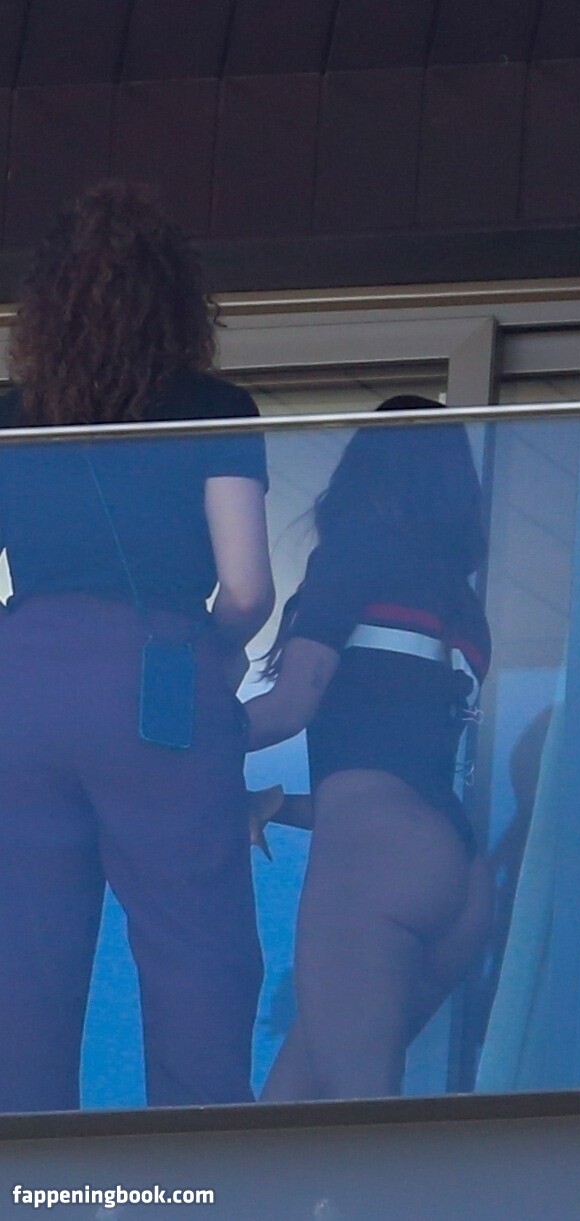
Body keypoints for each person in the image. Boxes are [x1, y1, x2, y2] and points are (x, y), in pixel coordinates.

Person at [0, 181, 274, 1112]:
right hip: (157, 675)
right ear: (175, 300)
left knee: (23, 961)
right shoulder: (213, 406)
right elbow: (248, 587)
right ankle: (196, 1176)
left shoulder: (9, 414)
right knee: (197, 949)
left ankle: (26, 1175)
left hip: (21, 683)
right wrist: (213, 651)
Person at [245, 398, 493, 1101]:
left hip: (374, 864)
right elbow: (391, 774)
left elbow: (291, 706)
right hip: (457, 871)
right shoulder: (463, 607)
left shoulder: (355, 552)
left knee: (356, 1126)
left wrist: (178, 743)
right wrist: (277, 804)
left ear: (363, 469)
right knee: (289, 1120)